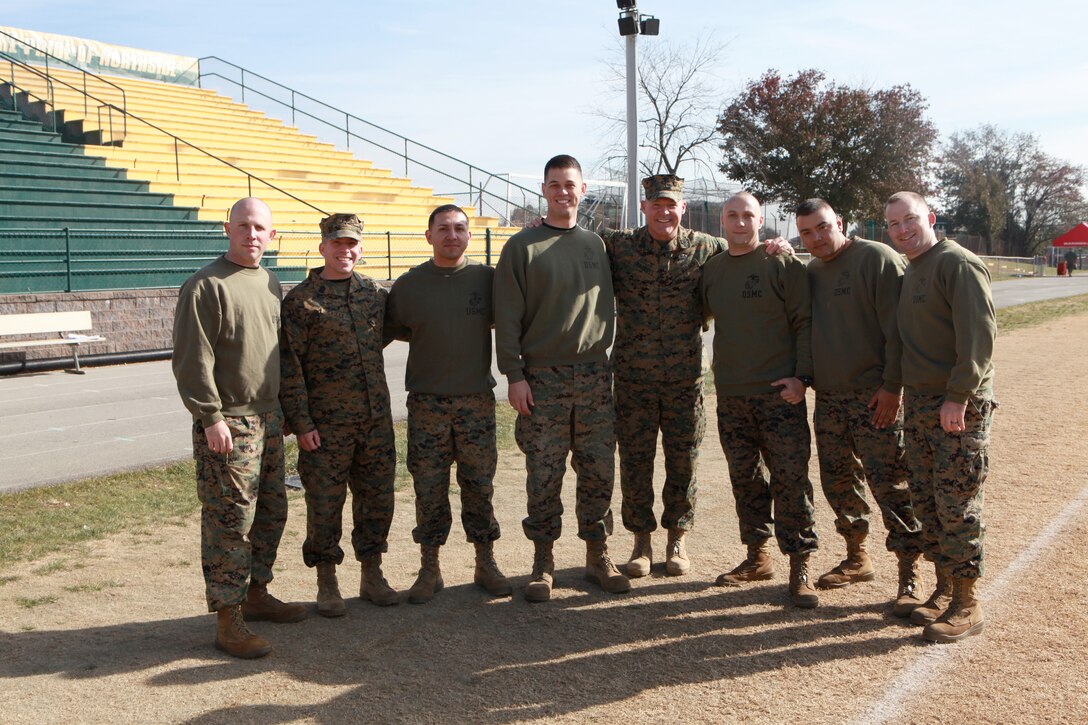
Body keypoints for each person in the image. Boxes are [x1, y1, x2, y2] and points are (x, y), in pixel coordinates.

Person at [172, 197, 306, 660]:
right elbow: (193, 359)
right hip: (229, 422)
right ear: (228, 228)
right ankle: (228, 619)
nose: (252, 234)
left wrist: (282, 410)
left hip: (267, 420)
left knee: (271, 513)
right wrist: (210, 417)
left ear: (272, 236)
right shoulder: (205, 286)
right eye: (244, 225)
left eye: (260, 228)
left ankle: (257, 593)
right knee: (230, 521)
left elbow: (274, 353)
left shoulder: (269, 281)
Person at [493, 154, 629, 602]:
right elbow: (508, 316)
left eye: (570, 184)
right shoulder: (522, 246)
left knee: (597, 471)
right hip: (542, 378)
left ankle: (597, 554)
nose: (562, 192)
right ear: (545, 190)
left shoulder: (598, 245)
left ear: (582, 189)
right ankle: (543, 561)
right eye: (554, 184)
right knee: (543, 473)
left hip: (593, 374)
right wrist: (514, 374)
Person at [796, 198, 923, 615]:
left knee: (891, 484)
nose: (816, 238)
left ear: (841, 223)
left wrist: (893, 387)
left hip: (875, 396)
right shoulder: (812, 270)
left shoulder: (878, 258)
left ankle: (910, 574)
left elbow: (899, 330)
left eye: (823, 227)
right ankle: (857, 557)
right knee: (838, 481)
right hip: (830, 397)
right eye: (807, 233)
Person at [383, 204, 511, 604]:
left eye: (459, 228)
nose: (451, 235)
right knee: (429, 487)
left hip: (476, 402)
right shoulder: (409, 286)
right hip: (427, 404)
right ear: (428, 236)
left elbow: (509, 318)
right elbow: (394, 329)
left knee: (479, 485)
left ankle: (485, 561)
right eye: (443, 229)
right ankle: (429, 567)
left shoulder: (487, 281)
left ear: (469, 235)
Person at [885, 191, 997, 643]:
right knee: (928, 500)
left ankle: (968, 603)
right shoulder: (914, 269)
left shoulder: (958, 263)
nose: (902, 230)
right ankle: (947, 587)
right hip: (922, 400)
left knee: (956, 503)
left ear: (930, 217)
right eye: (893, 224)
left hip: (956, 404)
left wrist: (959, 396)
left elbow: (979, 337)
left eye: (909, 219)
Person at [700, 191, 819, 609]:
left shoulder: (781, 263)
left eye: (747, 215)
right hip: (732, 396)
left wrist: (802, 378)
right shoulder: (711, 270)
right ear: (722, 221)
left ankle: (799, 565)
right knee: (746, 481)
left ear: (761, 219)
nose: (739, 222)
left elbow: (805, 321)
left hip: (778, 396)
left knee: (790, 480)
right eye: (731, 215)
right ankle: (757, 556)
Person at [599, 175, 720, 578]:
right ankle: (641, 541)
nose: (664, 211)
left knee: (683, 462)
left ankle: (677, 538)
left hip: (685, 381)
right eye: (657, 205)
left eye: (672, 205)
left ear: (682, 208)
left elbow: (746, 249)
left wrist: (779, 244)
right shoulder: (620, 245)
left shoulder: (705, 247)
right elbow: (572, 239)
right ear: (644, 207)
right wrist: (535, 227)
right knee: (635, 462)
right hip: (633, 380)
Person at [279, 213, 399, 616]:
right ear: (322, 248)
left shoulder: (375, 296)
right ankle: (326, 579)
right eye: (337, 244)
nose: (344, 251)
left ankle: (372, 573)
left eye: (351, 245)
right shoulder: (300, 301)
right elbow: (290, 366)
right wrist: (301, 423)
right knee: (325, 503)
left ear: (360, 249)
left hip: (374, 421)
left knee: (377, 499)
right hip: (325, 427)